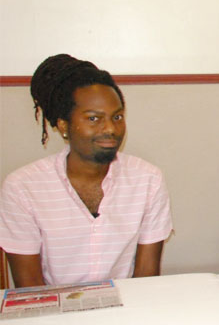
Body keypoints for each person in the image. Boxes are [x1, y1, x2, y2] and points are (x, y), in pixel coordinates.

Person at [0, 54, 173, 287]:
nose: (111, 128)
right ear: (63, 126)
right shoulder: (23, 187)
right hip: (55, 316)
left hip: (125, 312)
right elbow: (30, 288)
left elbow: (146, 278)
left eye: (118, 117)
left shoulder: (148, 179)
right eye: (94, 118)